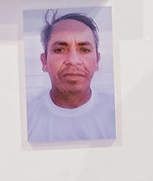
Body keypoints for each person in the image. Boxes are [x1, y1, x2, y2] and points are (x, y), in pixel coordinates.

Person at [26, 11, 115, 143]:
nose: (73, 60)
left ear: (97, 61)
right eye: (60, 50)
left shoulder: (116, 112)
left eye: (84, 50)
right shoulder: (25, 117)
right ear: (44, 62)